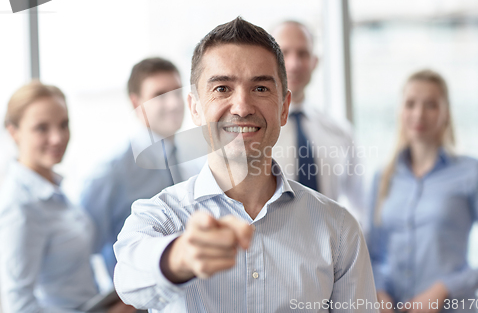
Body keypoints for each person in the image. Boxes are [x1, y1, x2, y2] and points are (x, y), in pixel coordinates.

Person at [113, 17, 378, 313]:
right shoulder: (160, 215)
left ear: (284, 107)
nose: (241, 107)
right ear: (195, 108)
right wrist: (180, 257)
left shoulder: (339, 229)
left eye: (261, 89)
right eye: (222, 88)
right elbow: (128, 277)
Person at [366, 70, 478, 313]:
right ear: (400, 111)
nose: (419, 114)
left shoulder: (474, 172)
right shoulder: (382, 177)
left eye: (431, 105)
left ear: (446, 113)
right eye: (410, 104)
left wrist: (443, 289)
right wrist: (380, 292)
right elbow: (371, 254)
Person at [0, 81, 135, 312]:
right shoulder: (20, 205)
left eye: (63, 125)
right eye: (42, 128)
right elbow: (19, 305)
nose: (57, 138)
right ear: (14, 132)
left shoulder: (51, 187)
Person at [79, 57, 202, 278]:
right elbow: (83, 250)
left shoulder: (194, 160)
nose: (173, 103)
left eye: (177, 92)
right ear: (137, 104)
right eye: (159, 95)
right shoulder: (110, 174)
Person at [271, 21, 364, 221]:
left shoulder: (341, 131)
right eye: (284, 53)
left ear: (315, 62)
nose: (294, 63)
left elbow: (360, 205)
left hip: (332, 247)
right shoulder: (251, 133)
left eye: (302, 54)